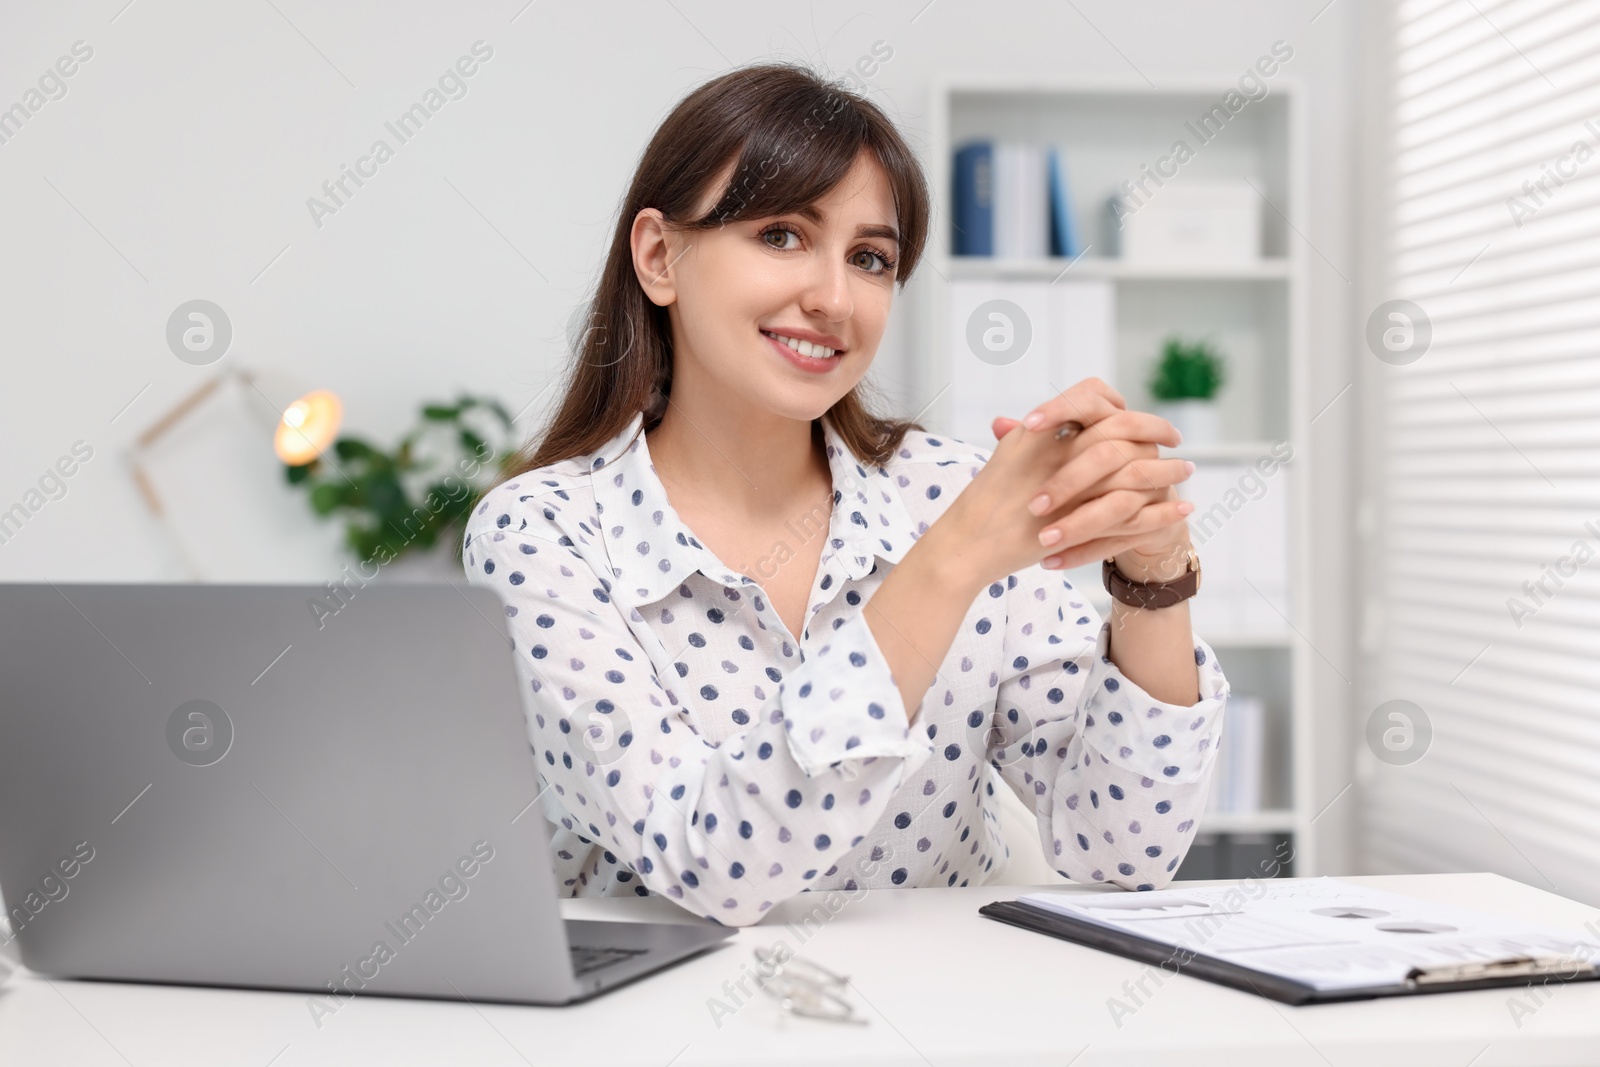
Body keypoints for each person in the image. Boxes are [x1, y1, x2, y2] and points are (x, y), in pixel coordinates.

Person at [462, 62, 1229, 927]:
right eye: (782, 235)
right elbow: (712, 860)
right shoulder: (542, 533)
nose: (833, 299)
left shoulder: (947, 491)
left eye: (870, 258)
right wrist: (951, 562)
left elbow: (1125, 850)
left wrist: (1153, 570)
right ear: (659, 255)